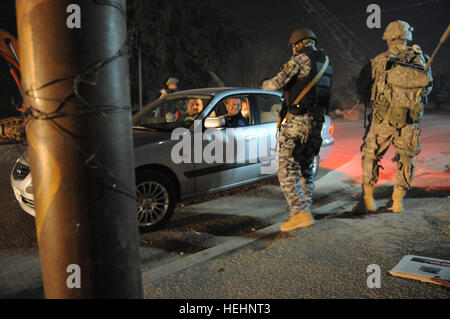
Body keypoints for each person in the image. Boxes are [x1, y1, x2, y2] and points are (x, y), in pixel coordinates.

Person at [352, 20, 433, 214]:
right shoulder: (422, 60)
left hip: (383, 119)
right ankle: (397, 202)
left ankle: (368, 200)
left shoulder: (379, 60)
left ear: (389, 39)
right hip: (409, 121)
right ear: (407, 37)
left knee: (371, 154)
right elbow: (428, 88)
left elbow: (361, 86)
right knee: (406, 159)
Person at [261, 28, 333, 232]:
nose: (292, 49)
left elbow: (276, 83)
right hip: (316, 123)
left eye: (293, 46)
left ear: (299, 44)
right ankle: (305, 208)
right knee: (306, 168)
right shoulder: (326, 62)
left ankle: (300, 213)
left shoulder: (301, 60)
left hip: (297, 122)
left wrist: (263, 83)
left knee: (286, 169)